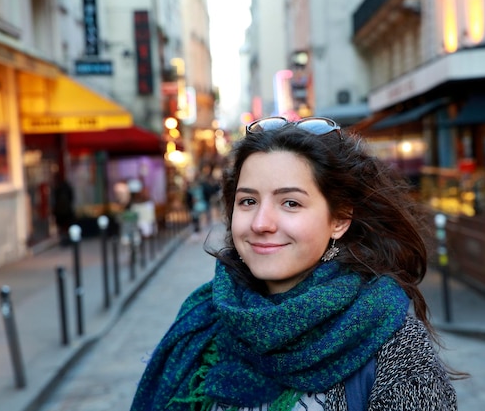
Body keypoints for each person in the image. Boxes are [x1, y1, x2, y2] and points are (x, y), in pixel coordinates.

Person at [130, 117, 460, 411]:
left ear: (340, 219)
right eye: (248, 201)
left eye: (290, 203)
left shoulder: (387, 333)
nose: (261, 223)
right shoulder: (204, 317)